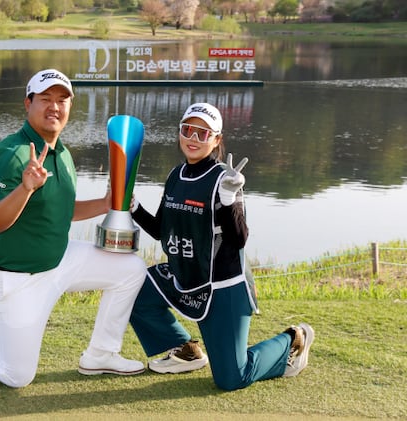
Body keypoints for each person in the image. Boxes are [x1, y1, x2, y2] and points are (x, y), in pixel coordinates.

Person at [0, 69, 147, 388]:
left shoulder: (61, 153)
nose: (55, 106)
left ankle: (101, 354)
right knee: (17, 375)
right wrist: (25, 188)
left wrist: (105, 203)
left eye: (62, 100)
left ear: (70, 107)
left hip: (60, 260)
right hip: (19, 277)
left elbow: (60, 211)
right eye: (45, 99)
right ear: (28, 104)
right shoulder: (12, 154)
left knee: (131, 269)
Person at [128, 102, 315, 391]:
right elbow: (161, 232)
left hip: (222, 287)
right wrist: (135, 208)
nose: (193, 138)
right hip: (185, 277)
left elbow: (239, 239)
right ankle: (187, 352)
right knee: (130, 290)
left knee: (232, 378)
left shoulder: (224, 179)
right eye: (188, 130)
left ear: (216, 140)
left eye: (203, 133)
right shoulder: (176, 175)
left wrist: (228, 201)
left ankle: (293, 340)